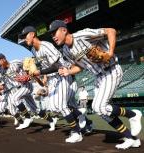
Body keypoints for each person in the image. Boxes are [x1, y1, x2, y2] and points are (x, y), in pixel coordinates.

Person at [48, 20, 142, 149]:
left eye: (55, 32)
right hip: (98, 76)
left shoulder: (82, 35)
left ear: (64, 30)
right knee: (102, 112)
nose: (53, 36)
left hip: (111, 70)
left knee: (99, 107)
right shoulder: (65, 50)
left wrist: (110, 52)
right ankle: (131, 138)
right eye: (51, 34)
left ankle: (133, 114)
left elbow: (111, 30)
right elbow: (79, 67)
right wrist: (68, 71)